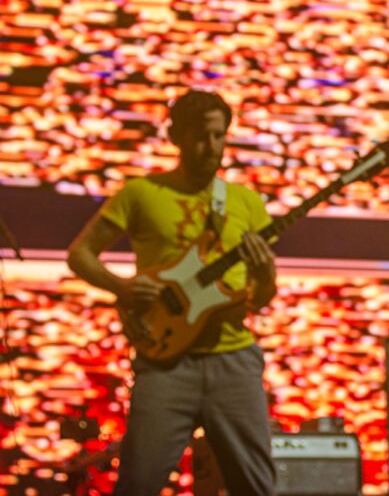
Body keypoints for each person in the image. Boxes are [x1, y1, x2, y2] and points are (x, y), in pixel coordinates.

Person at [67, 89, 277, 495]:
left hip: (233, 359)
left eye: (219, 136)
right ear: (175, 136)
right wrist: (123, 288)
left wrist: (265, 273)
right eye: (201, 136)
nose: (211, 147)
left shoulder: (247, 202)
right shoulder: (141, 194)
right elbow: (81, 254)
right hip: (165, 364)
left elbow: (260, 297)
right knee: (139, 483)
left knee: (256, 487)